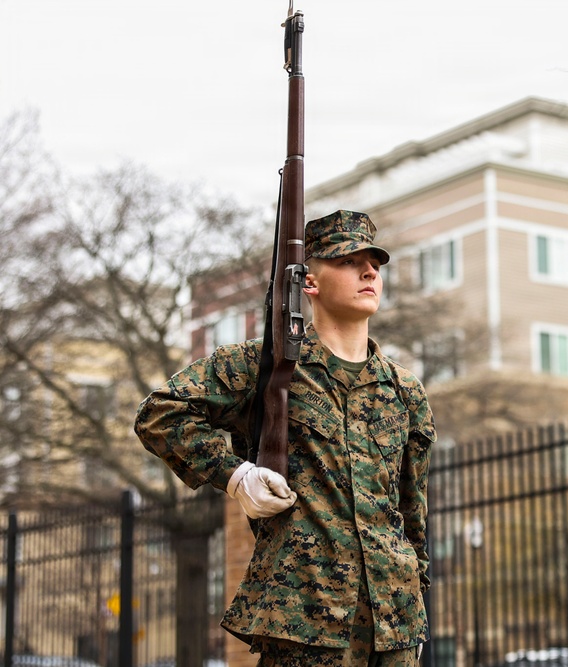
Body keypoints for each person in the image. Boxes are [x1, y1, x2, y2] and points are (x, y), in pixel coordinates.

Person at [134, 210, 435, 667]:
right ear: (309, 282)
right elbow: (160, 412)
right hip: (304, 619)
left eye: (374, 262)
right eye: (349, 261)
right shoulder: (265, 366)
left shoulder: (404, 390)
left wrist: (416, 594)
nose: (369, 271)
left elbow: (412, 511)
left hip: (394, 624)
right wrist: (235, 475)